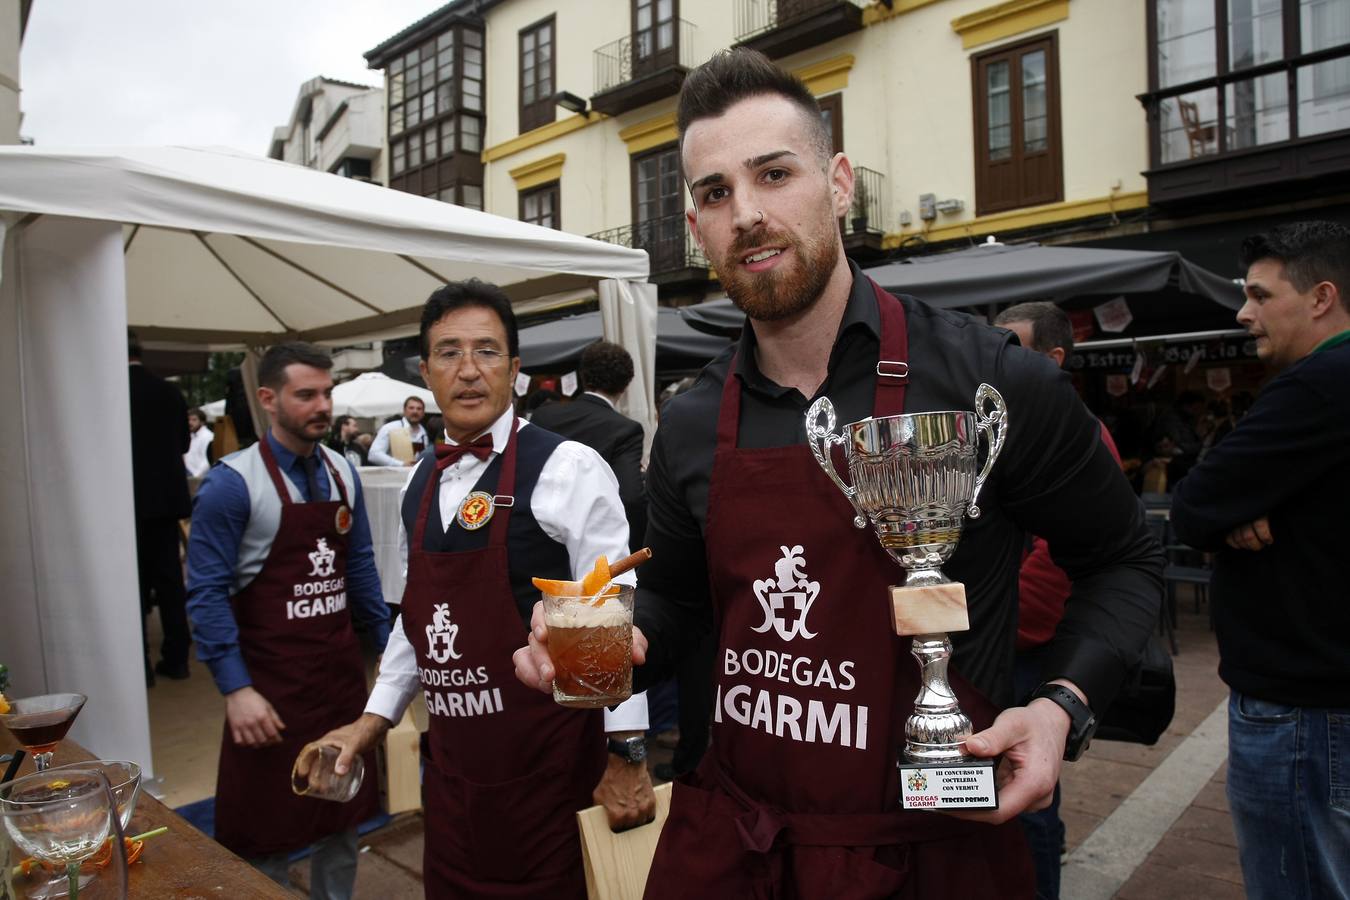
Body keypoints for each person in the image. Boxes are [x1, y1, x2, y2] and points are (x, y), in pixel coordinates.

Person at [515, 49, 1162, 898]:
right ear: (696, 224)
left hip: (933, 846)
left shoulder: (988, 381)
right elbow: (676, 603)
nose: (746, 213)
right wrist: (617, 644)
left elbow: (1122, 559)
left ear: (841, 183)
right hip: (739, 848)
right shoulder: (690, 421)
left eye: (774, 174)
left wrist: (1060, 708)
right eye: (716, 193)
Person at [316, 280, 656, 899]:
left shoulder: (565, 467)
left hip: (547, 782)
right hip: (453, 785)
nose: (468, 370)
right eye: (448, 353)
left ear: (516, 370)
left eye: (487, 352)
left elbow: (607, 610)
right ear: (425, 371)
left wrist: (626, 754)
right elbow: (418, 613)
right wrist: (374, 717)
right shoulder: (419, 479)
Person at [1170, 220, 1350, 900]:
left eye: (1258, 295)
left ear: (1320, 296)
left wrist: (1230, 510)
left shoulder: (1319, 383)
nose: (1243, 313)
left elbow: (1193, 507)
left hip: (1303, 703)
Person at [185, 342, 390, 899]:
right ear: (268, 400)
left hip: (338, 682)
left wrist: (389, 656)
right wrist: (236, 689)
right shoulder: (232, 484)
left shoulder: (343, 473)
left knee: (340, 819)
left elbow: (362, 569)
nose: (322, 405)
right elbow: (205, 593)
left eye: (327, 393)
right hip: (268, 692)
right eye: (307, 395)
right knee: (265, 836)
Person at [994, 301, 1123, 900]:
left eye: (1012, 348)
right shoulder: (1005, 427)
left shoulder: (1077, 435)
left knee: (1030, 803)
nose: (998, 362)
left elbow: (1058, 566)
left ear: (1053, 360)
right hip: (1001, 643)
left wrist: (993, 617)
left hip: (1026, 647)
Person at [531, 340, 648, 545]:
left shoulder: (544, 415)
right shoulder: (625, 429)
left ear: (583, 376)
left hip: (536, 533)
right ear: (626, 385)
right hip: (593, 542)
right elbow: (630, 498)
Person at [128, 331, 194, 685]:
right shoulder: (169, 391)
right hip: (167, 502)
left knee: (133, 588)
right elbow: (184, 442)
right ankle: (177, 658)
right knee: (171, 584)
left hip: (127, 503)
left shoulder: (109, 390)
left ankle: (140, 666)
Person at [368, 396, 429, 467]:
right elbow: (374, 454)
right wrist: (401, 464)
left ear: (423, 413)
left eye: (419, 409)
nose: (415, 411)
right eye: (411, 408)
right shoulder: (390, 428)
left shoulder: (424, 433)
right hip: (394, 476)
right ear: (404, 410)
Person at [184, 407, 215, 478]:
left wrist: (195, 476)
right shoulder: (191, 435)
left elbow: (207, 460)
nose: (190, 422)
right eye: (188, 419)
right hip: (189, 474)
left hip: (199, 476)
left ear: (202, 422)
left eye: (194, 420)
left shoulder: (208, 436)